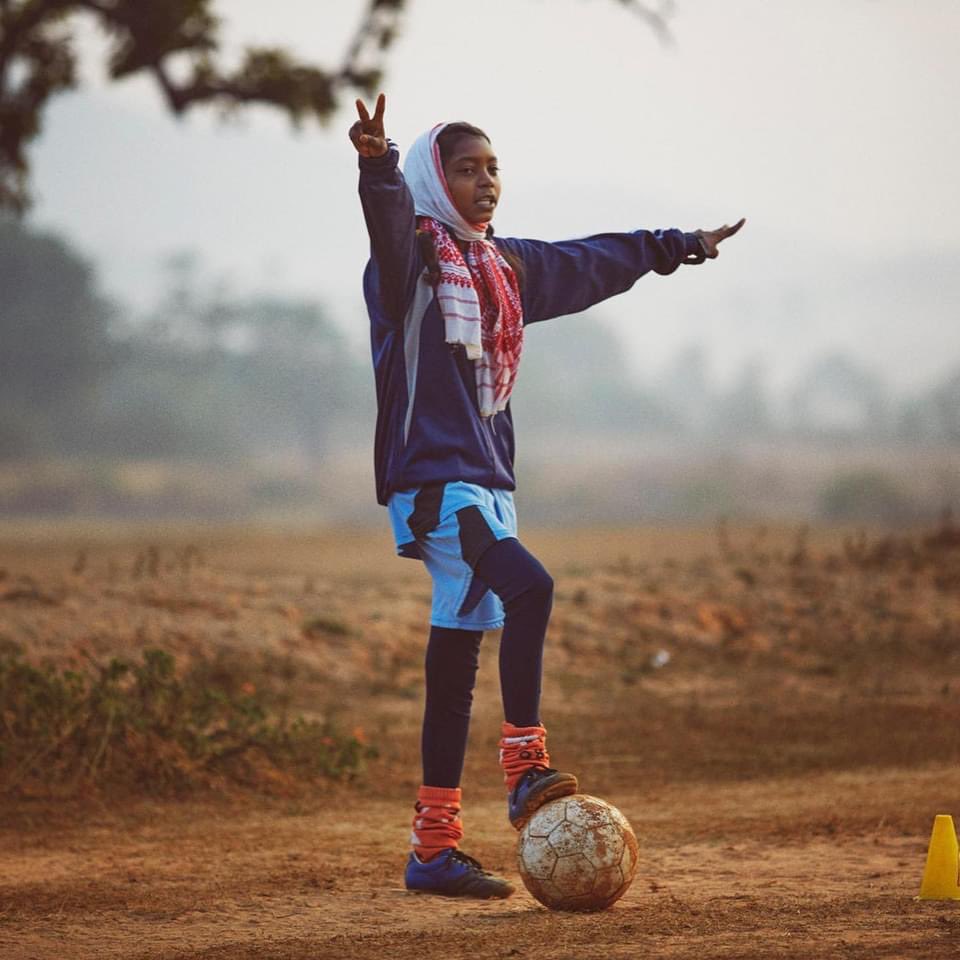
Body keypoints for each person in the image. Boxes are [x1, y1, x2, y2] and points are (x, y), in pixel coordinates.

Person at [351, 93, 744, 900]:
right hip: (436, 482)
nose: (486, 181)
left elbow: (589, 260)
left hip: (491, 482)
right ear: (435, 180)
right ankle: (526, 769)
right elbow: (389, 229)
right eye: (465, 169)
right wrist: (379, 167)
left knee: (455, 661)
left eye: (493, 168)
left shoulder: (501, 267)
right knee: (534, 588)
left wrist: (679, 245)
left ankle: (433, 849)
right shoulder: (410, 265)